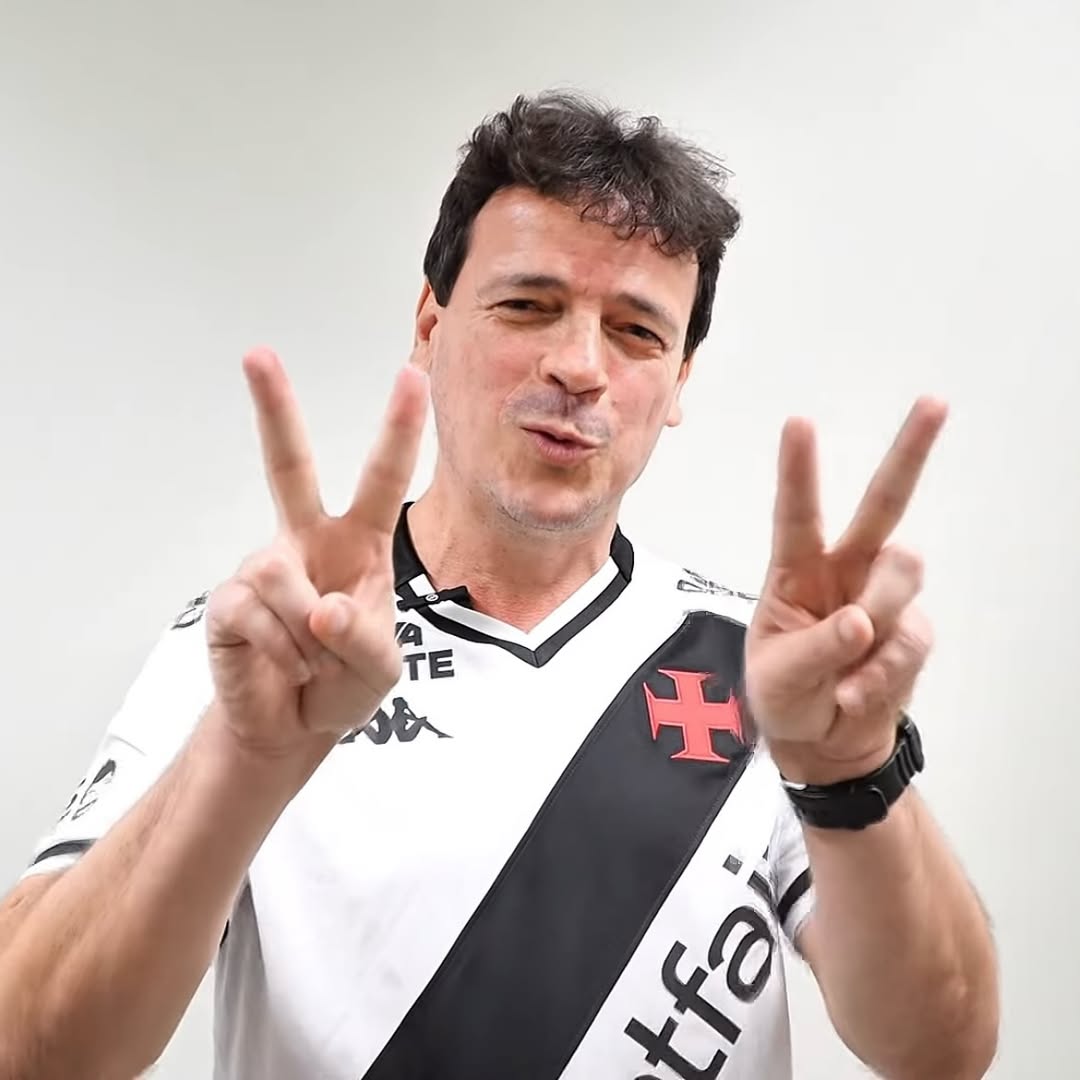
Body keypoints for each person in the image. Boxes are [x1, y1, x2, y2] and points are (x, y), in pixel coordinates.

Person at [0, 91, 998, 1080]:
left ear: (680, 383)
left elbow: (942, 1050)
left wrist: (852, 771)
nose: (578, 366)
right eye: (529, 305)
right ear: (429, 323)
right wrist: (250, 753)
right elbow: (30, 1044)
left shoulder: (762, 672)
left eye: (637, 332)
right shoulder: (260, 647)